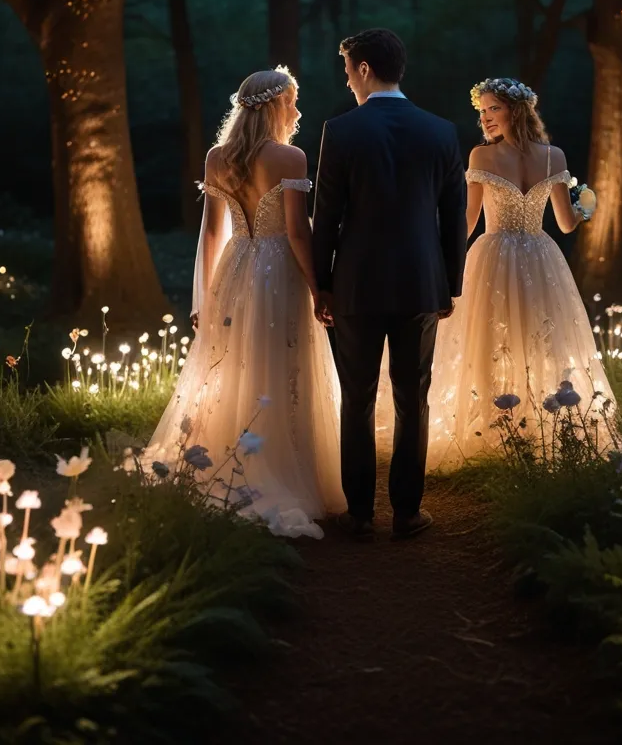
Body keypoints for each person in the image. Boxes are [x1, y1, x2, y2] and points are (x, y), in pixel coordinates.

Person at [148, 67, 345, 539]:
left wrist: (206, 293)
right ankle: (285, 464)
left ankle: (235, 455)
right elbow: (299, 232)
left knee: (236, 364)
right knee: (282, 362)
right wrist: (319, 286)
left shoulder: (219, 157)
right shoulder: (290, 158)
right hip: (279, 270)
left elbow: (212, 232)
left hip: (235, 270)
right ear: (276, 106)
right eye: (292, 102)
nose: (297, 111)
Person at [312, 29, 467, 541]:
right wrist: (451, 284)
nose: (347, 80)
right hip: (422, 283)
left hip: (356, 284)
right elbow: (454, 216)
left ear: (361, 69)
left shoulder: (340, 130)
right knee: (412, 397)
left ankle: (359, 514)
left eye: (347, 70)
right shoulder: (442, 131)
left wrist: (322, 285)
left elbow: (327, 218)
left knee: (356, 397)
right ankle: (406, 512)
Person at [416, 77, 618, 468]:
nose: (486, 119)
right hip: (541, 255)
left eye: (494, 109)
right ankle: (527, 419)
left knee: (502, 333)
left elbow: (468, 220)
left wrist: (437, 249)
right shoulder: (553, 157)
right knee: (531, 333)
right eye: (482, 111)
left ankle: (503, 422)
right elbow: (566, 223)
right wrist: (586, 206)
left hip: (494, 253)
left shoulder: (481, 157)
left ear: (516, 110)